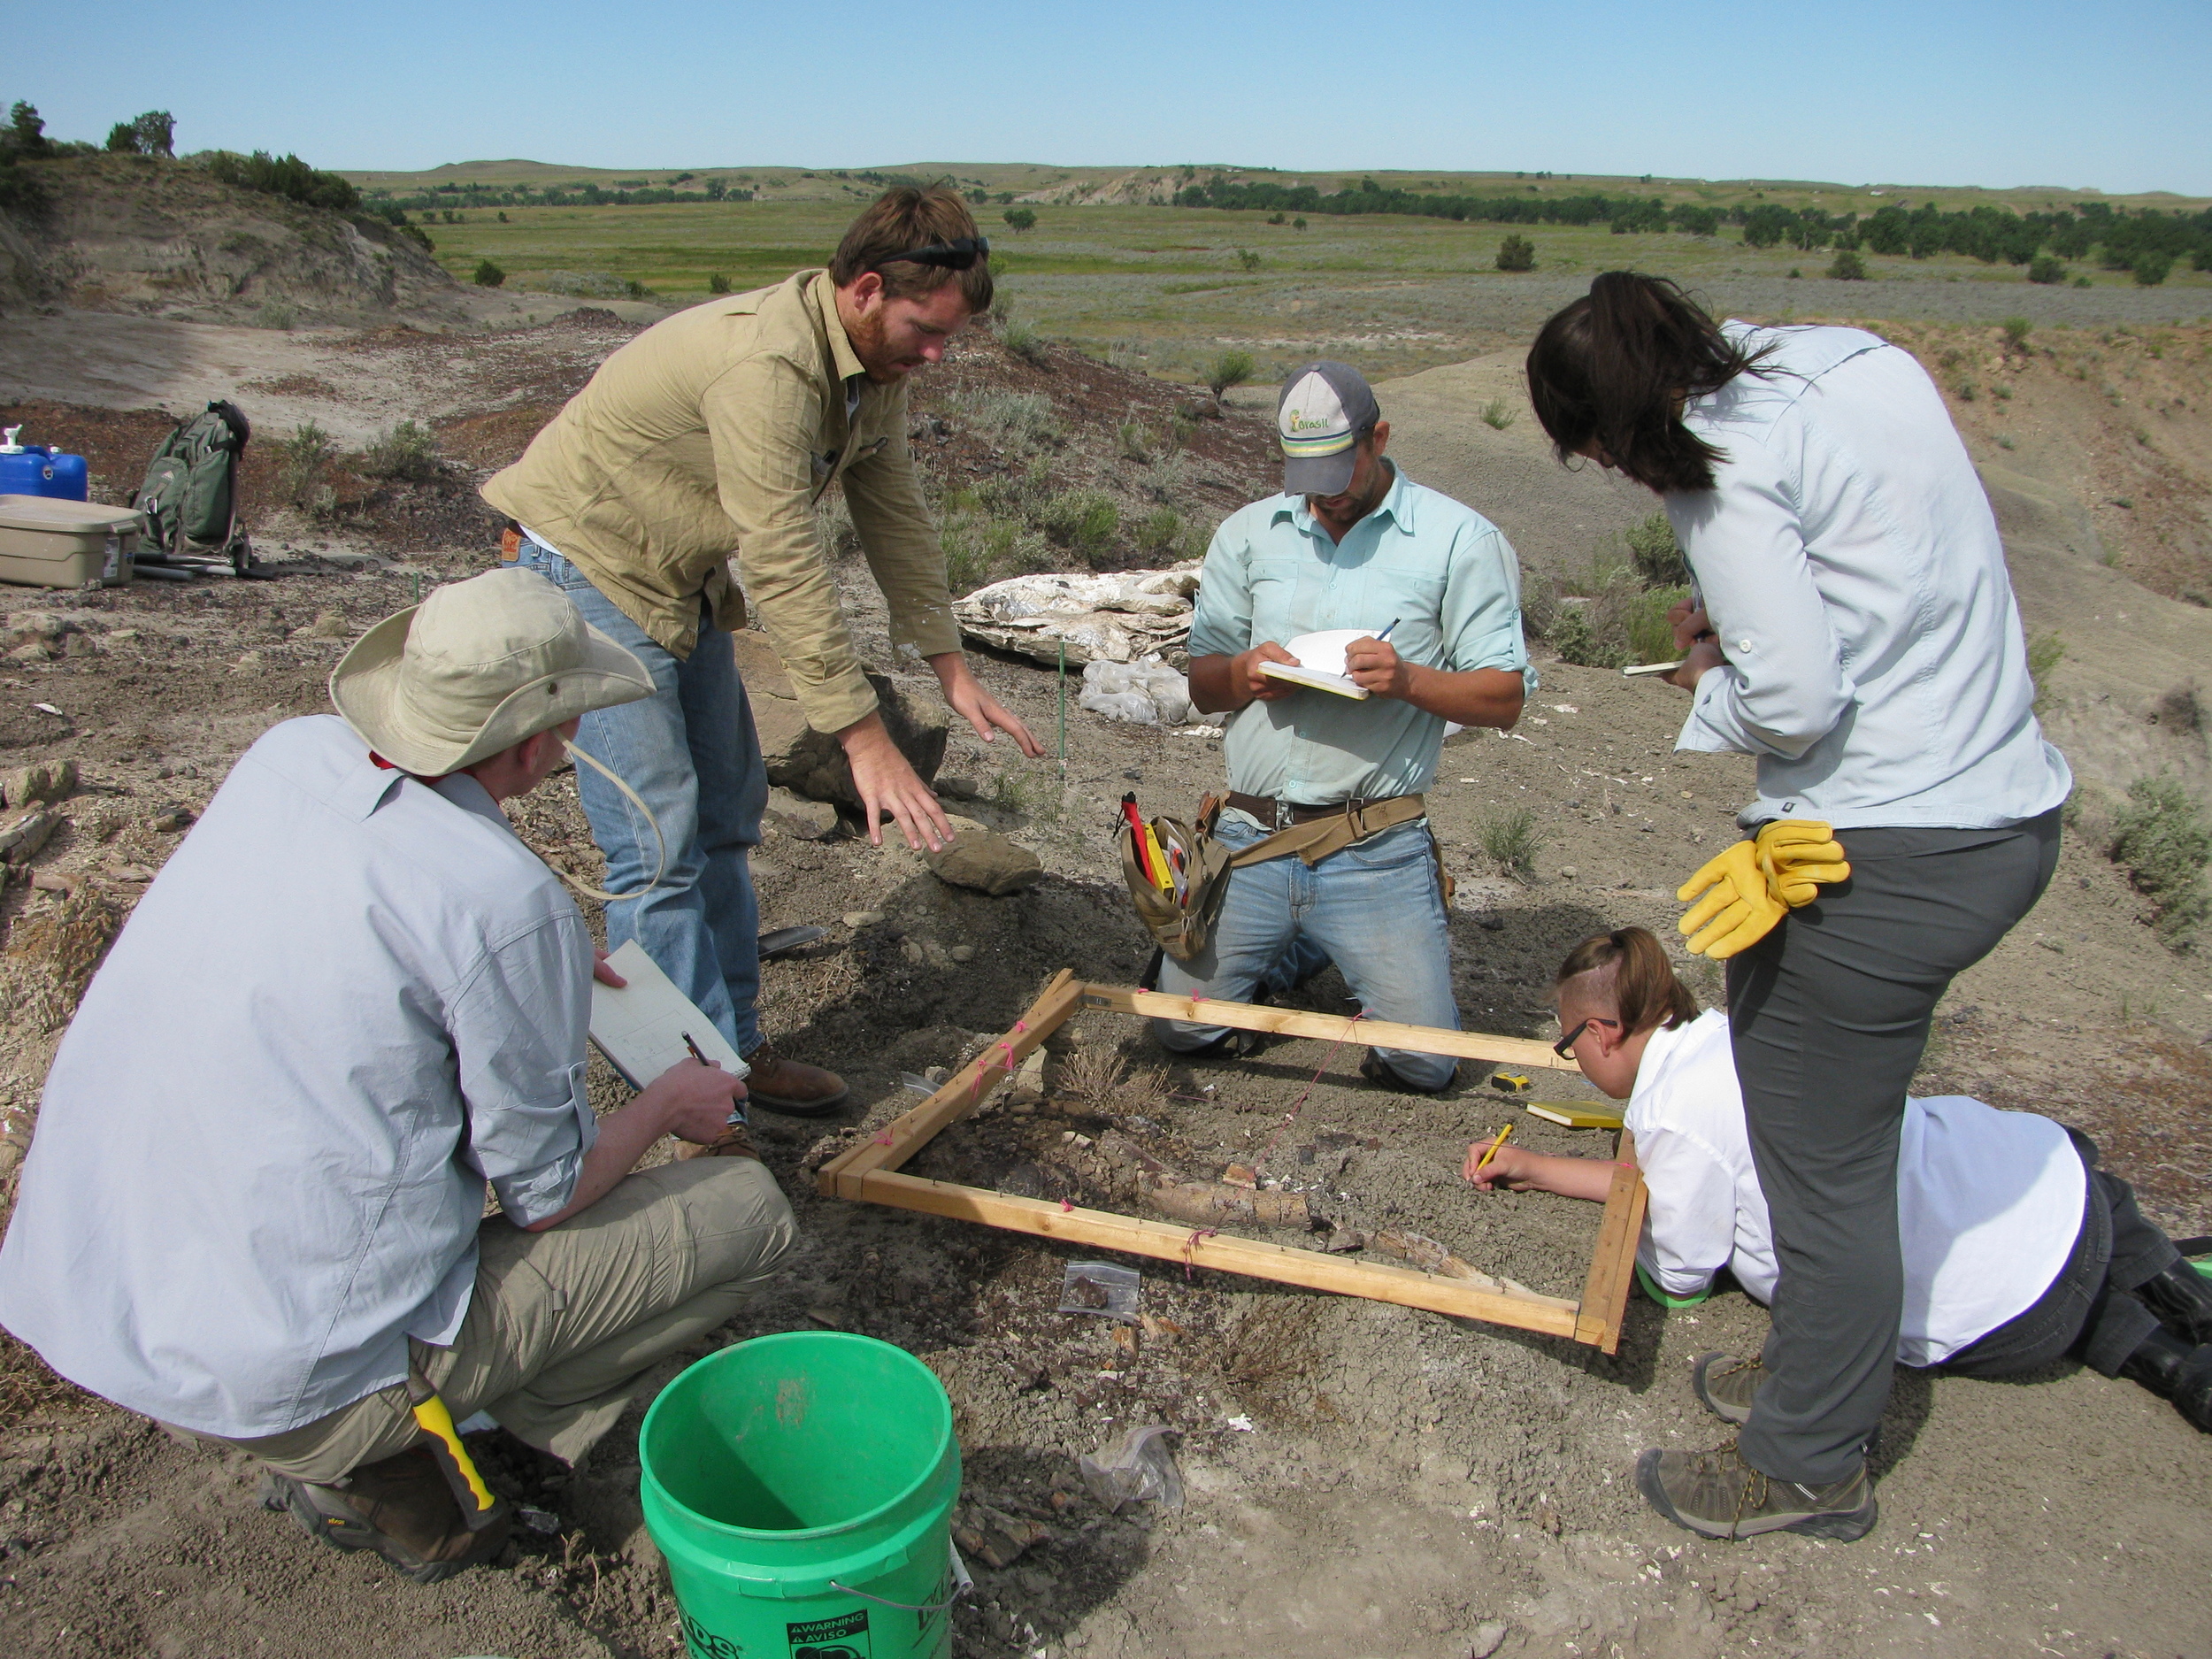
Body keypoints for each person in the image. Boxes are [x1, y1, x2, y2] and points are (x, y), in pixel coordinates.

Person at [0, 571, 799, 1583]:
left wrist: (527, 971)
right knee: (748, 1208)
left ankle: (388, 1423)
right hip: (291, 1368)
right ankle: (420, 1438)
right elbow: (546, 1193)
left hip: (92, 1287)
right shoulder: (499, 901)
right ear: (535, 742)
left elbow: (356, 946)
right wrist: (662, 1107)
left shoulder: (284, 756)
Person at [1525, 273, 2074, 1537]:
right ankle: (1816, 1369)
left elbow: (1803, 704)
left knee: (1822, 1170)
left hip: (1892, 845)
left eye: (1603, 449)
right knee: (1817, 1126)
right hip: (1998, 799)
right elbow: (1887, 567)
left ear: (1618, 424)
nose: (1619, 471)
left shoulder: (1714, 464)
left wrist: (1718, 668)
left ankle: (1811, 1458)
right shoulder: (1848, 359)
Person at [482, 185, 1041, 1118]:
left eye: (949, 334)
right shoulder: (769, 368)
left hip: (678, 575)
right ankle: (691, 1103)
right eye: (924, 327)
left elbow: (892, 510)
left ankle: (731, 1053)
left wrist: (949, 667)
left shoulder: (872, 370)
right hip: (589, 565)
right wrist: (863, 741)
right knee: (655, 845)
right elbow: (781, 556)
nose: (938, 352)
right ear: (864, 290)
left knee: (727, 820)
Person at [1464, 928, 2212, 1540]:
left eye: (1569, 1047)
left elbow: (1683, 1267)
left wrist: (1643, 1222)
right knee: (2087, 1252)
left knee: (2054, 1306)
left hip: (2006, 1305)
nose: (1573, 1059)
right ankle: (2171, 1314)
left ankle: (2170, 1357)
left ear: (1601, 1031)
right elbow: (1678, 1170)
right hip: (2049, 1182)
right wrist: (1540, 1166)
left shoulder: (1669, 1109)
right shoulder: (1734, 1033)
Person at [1148, 361, 1531, 1091]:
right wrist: (1243, 675)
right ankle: (1292, 948)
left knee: (1424, 1064)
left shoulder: (1461, 540)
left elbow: (1505, 697)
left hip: (1375, 844)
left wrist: (1408, 679)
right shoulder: (1248, 534)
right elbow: (1203, 682)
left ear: (1379, 437)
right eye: (1306, 475)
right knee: (1179, 1029)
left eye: (1338, 470)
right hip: (1250, 840)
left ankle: (1327, 941)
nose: (1323, 495)